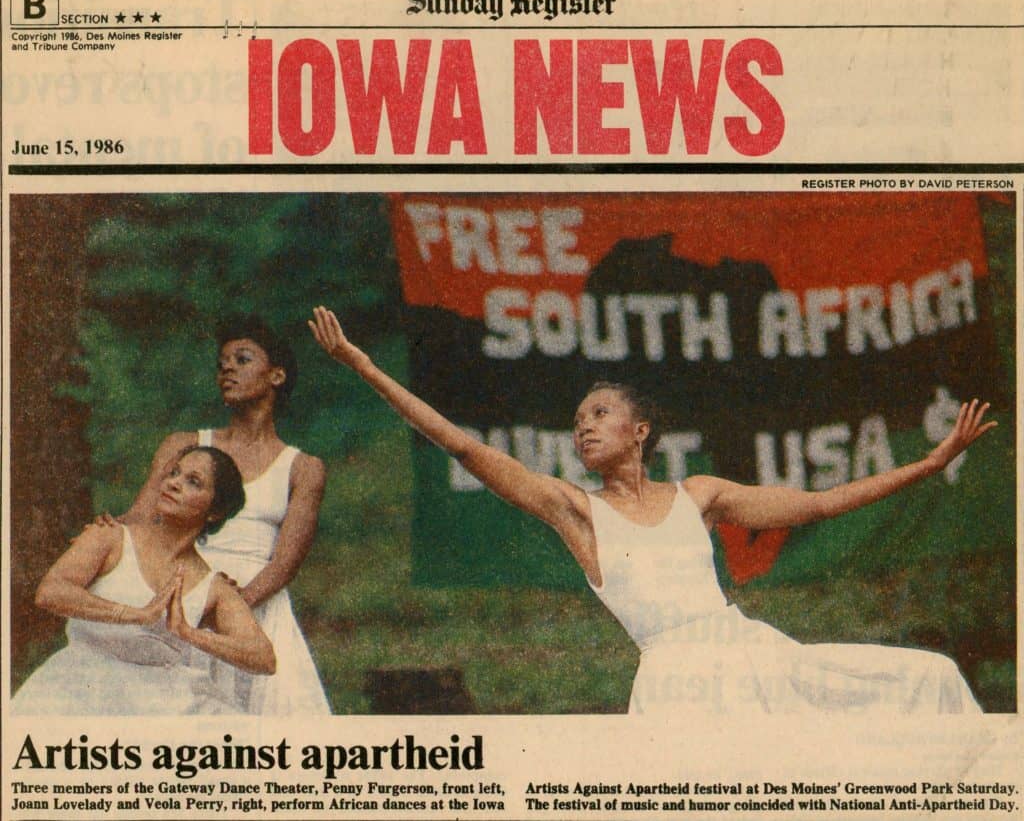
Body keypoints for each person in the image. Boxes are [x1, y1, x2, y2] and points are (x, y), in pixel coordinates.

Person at [310, 305, 993, 715]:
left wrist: (929, 464)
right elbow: (460, 444)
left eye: (600, 413)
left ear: (640, 431)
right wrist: (362, 363)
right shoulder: (577, 511)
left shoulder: (698, 494)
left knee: (927, 678)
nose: (584, 426)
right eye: (577, 420)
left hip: (753, 656)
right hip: (676, 686)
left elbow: (817, 502)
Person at [118, 315, 330, 715]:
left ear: (277, 376)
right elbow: (141, 519)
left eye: (242, 359)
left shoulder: (303, 468)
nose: (227, 368)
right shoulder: (184, 445)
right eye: (222, 363)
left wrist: (232, 609)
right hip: (184, 592)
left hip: (256, 606)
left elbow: (284, 563)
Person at [13, 446, 275, 716]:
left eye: (193, 481)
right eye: (174, 473)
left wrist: (188, 633)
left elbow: (263, 657)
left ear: (215, 511)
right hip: (79, 686)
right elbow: (50, 592)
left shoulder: (213, 587)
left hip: (160, 705)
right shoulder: (111, 538)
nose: (174, 483)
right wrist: (135, 615)